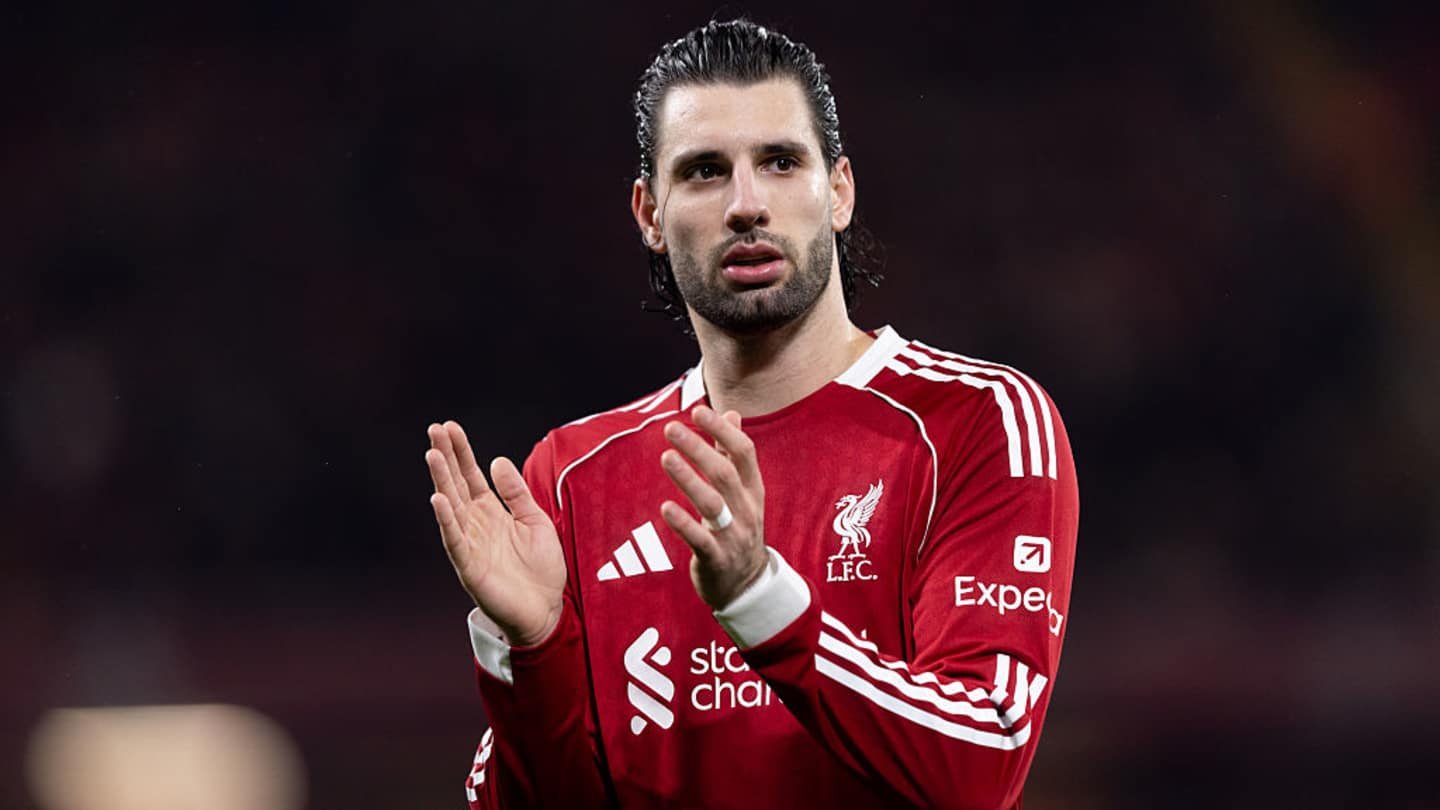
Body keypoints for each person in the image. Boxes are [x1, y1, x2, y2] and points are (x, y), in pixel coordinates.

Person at [424, 19, 1078, 810]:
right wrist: (528, 656)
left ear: (837, 191)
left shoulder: (976, 422)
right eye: (703, 171)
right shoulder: (571, 478)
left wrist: (760, 601)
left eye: (779, 161)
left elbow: (982, 759)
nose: (745, 205)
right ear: (650, 215)